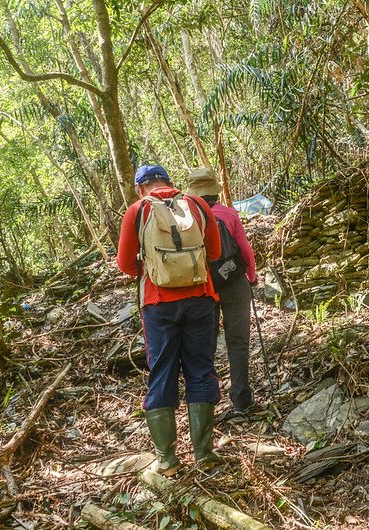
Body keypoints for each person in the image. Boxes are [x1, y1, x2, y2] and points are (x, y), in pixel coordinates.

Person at [117, 164, 224, 475]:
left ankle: (167, 460)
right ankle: (204, 454)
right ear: (170, 182)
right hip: (201, 299)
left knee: (162, 371)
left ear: (140, 188)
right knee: (201, 370)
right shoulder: (199, 205)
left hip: (158, 303)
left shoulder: (137, 211)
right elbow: (214, 253)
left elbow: (125, 264)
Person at [187, 167, 257, 415]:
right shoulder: (228, 213)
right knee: (237, 341)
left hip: (203, 286)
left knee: (205, 344)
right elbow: (245, 249)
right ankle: (241, 399)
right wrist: (252, 276)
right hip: (234, 282)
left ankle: (207, 401)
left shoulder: (187, 218)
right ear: (214, 191)